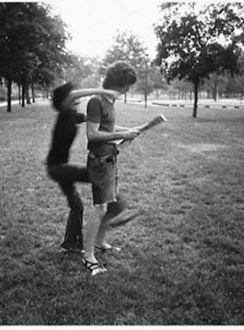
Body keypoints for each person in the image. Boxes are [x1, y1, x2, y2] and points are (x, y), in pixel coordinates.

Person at [82, 61, 148, 275]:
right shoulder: (96, 101)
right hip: (99, 162)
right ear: (117, 84)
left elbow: (107, 128)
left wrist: (129, 130)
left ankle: (100, 243)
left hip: (110, 160)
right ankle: (88, 255)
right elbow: (92, 134)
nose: (128, 90)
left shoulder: (110, 102)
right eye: (126, 86)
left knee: (112, 205)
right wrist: (122, 135)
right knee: (100, 208)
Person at [46, 82, 122, 253]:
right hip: (57, 167)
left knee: (77, 205)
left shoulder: (72, 115)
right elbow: (73, 96)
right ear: (65, 100)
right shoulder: (64, 114)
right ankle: (115, 205)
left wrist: (123, 132)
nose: (76, 99)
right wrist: (101, 90)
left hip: (60, 167)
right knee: (97, 175)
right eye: (71, 97)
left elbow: (95, 121)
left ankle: (70, 243)